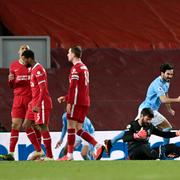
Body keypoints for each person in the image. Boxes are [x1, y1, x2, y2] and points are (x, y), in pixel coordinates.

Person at [57, 46, 104, 161]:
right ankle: (98, 146)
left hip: (76, 102)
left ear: (73, 54)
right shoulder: (84, 68)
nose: (67, 55)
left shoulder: (75, 68)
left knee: (71, 127)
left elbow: (73, 87)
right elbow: (82, 88)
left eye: (68, 52)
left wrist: (69, 101)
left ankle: (69, 155)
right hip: (84, 102)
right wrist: (66, 97)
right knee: (78, 129)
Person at [3, 45, 42, 161]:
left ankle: (39, 151)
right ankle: (11, 153)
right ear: (19, 52)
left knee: (33, 126)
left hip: (30, 98)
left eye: (26, 48)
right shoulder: (13, 65)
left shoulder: (33, 65)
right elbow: (11, 85)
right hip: (18, 98)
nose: (24, 50)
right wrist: (11, 81)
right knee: (15, 124)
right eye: (22, 48)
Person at [135, 63, 180, 145]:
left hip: (151, 110)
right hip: (146, 110)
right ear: (162, 73)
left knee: (166, 127)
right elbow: (163, 100)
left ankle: (164, 151)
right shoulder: (157, 83)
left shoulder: (167, 81)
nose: (170, 76)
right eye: (168, 74)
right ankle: (110, 141)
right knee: (133, 129)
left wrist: (169, 109)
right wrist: (177, 99)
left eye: (172, 74)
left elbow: (166, 95)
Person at [21, 49, 53, 160]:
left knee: (43, 126)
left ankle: (50, 156)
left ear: (29, 59)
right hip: (33, 102)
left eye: (23, 59)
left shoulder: (38, 69)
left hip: (42, 102)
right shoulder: (32, 69)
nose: (23, 62)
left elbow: (43, 89)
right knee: (25, 125)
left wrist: (38, 105)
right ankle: (39, 150)